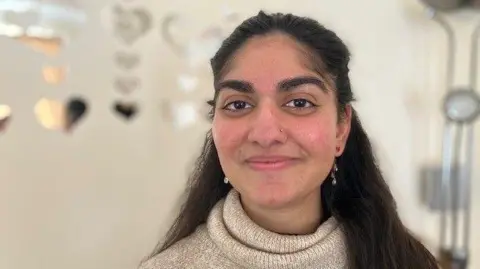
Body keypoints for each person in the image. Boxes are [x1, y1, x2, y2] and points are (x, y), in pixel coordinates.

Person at [140, 11, 439, 269]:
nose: (266, 134)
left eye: (299, 103)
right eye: (239, 104)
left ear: (341, 127)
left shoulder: (405, 261)